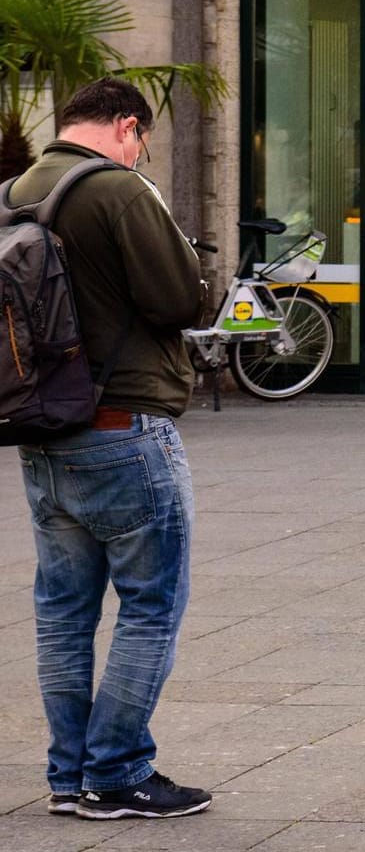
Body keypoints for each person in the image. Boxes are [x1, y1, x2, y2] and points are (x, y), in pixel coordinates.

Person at [8, 79, 210, 819]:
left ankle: (70, 777)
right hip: (125, 428)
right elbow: (181, 300)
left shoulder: (16, 190)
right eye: (143, 140)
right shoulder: (118, 191)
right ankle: (116, 773)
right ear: (128, 126)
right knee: (151, 605)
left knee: (62, 610)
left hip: (42, 433)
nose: (141, 152)